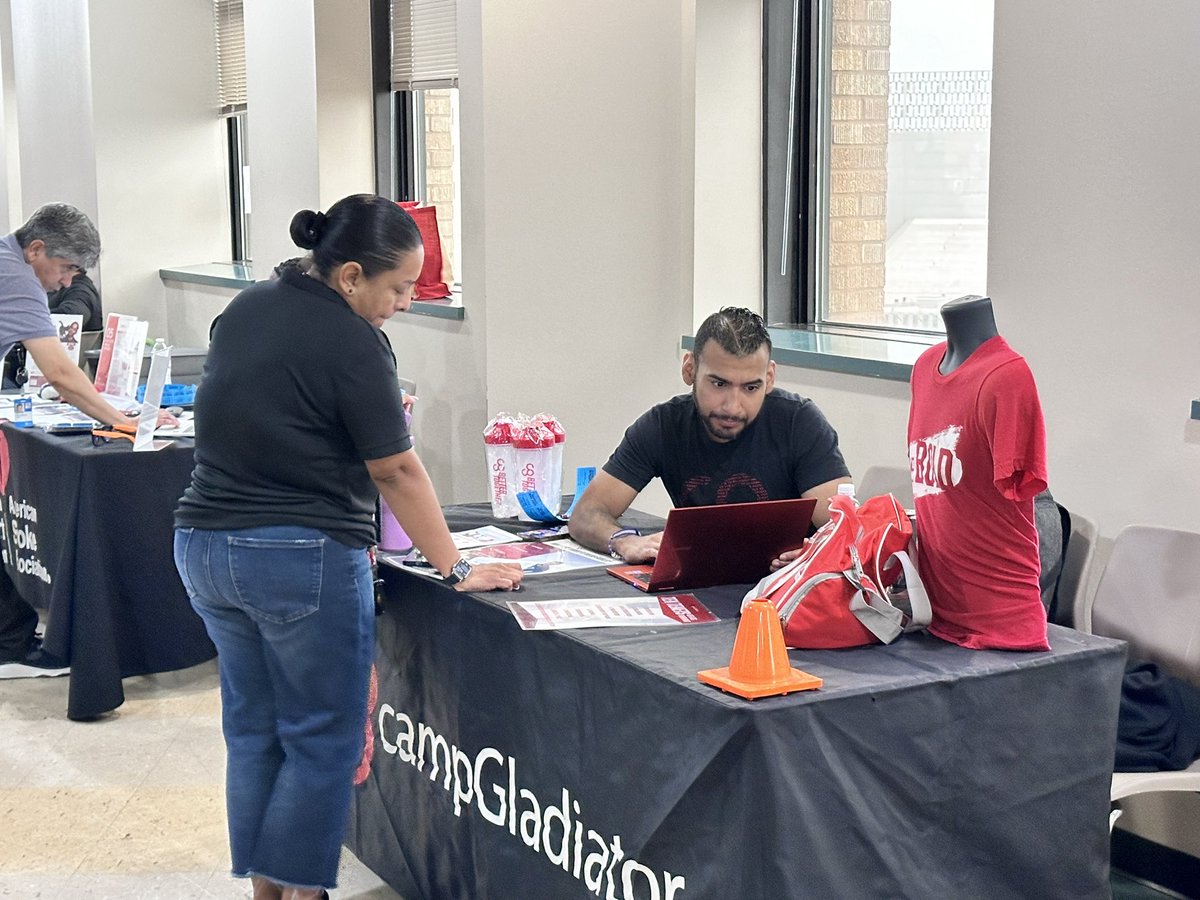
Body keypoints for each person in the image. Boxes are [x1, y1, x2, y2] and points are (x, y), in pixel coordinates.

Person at [173, 194, 523, 900]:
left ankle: (269, 893)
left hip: (204, 546)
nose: (403, 304)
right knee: (321, 740)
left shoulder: (246, 308)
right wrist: (455, 567)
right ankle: (304, 894)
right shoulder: (351, 340)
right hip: (297, 556)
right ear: (351, 276)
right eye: (398, 288)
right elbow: (394, 468)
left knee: (255, 730)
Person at [0, 203, 167, 674]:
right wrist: (123, 421)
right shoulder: (17, 281)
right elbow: (62, 375)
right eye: (66, 267)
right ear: (36, 250)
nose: (68, 281)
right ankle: (10, 646)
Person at [569, 306, 851, 566]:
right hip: (700, 585)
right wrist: (624, 541)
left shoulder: (799, 422)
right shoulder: (663, 425)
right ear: (690, 369)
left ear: (770, 377)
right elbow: (586, 513)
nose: (732, 406)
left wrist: (816, 553)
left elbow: (847, 529)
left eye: (751, 388)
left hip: (785, 591)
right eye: (719, 383)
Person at [907, 294, 1050, 651]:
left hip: (1001, 622)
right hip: (933, 615)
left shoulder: (1007, 377)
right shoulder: (925, 367)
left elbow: (1017, 490)